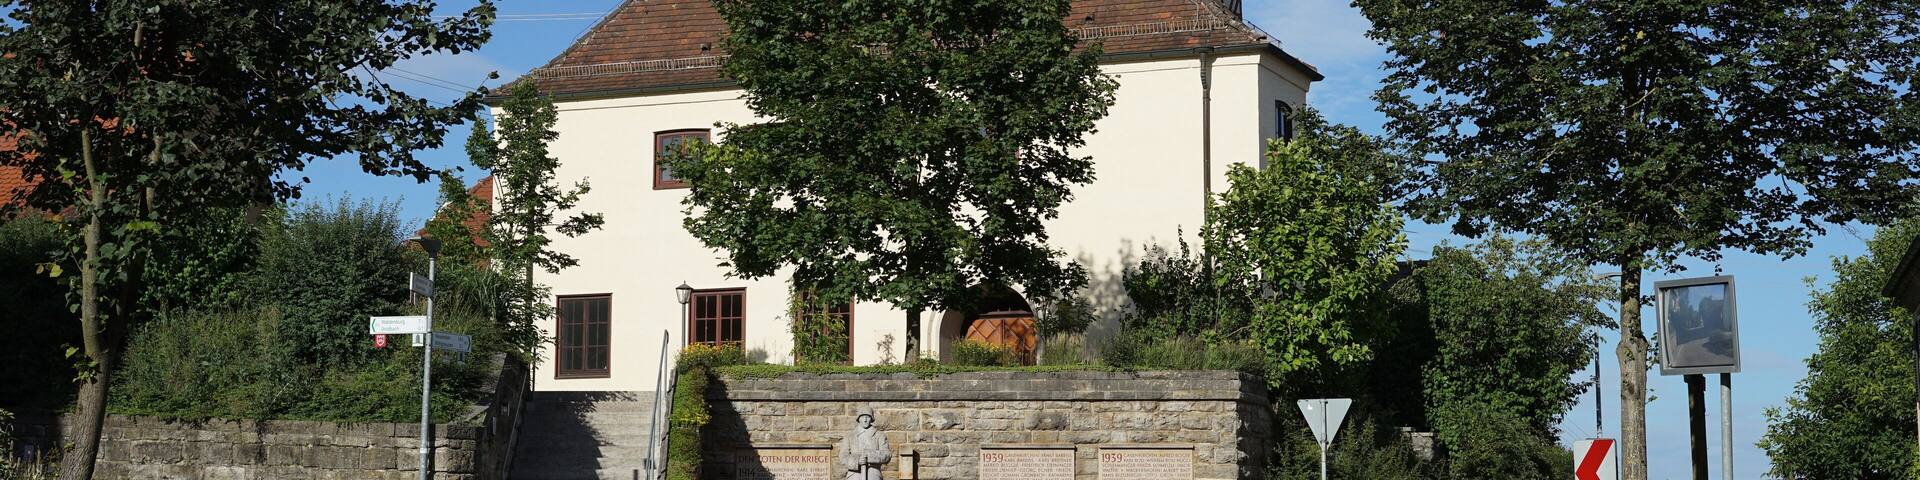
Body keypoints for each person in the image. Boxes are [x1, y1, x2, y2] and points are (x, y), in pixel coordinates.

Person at [839, 405, 891, 480]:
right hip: (854, 474)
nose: (865, 420)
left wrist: (869, 456)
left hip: (873, 474)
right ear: (859, 419)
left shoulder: (879, 435)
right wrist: (857, 460)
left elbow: (887, 455)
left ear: (872, 419)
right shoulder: (850, 436)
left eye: (868, 417)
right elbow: (843, 456)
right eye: (863, 417)